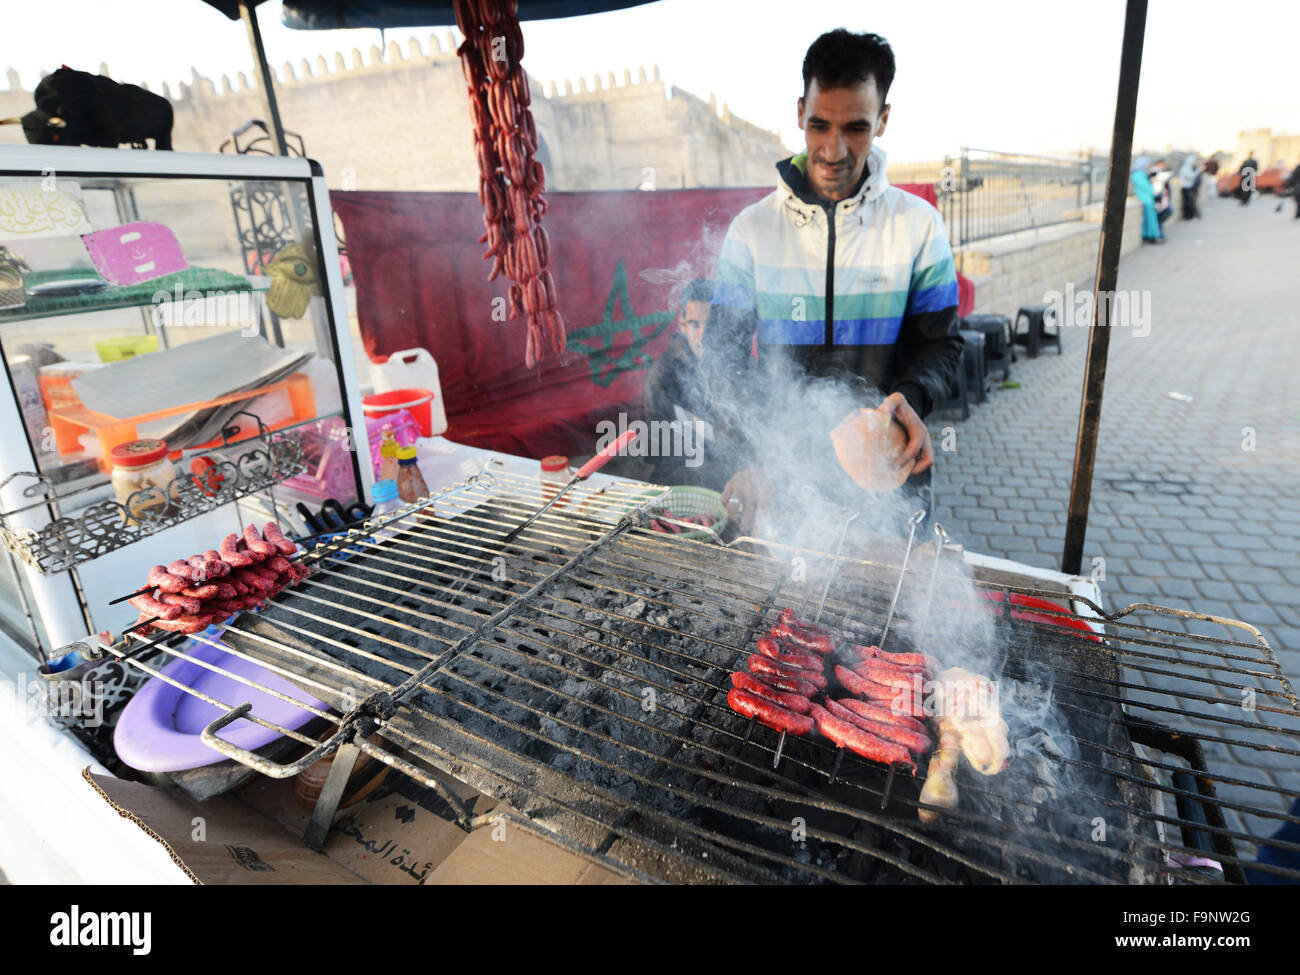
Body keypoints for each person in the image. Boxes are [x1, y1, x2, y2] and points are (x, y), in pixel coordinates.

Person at [704, 29, 962, 537]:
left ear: (884, 120)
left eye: (856, 128)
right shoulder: (751, 231)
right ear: (800, 111)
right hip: (783, 475)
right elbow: (723, 358)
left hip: (887, 472)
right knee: (787, 612)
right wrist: (754, 453)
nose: (833, 149)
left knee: (890, 609)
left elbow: (943, 346)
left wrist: (912, 394)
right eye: (819, 125)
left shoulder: (918, 225)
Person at [641, 278, 726, 488]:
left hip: (734, 474)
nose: (703, 335)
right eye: (695, 324)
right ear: (683, 325)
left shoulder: (737, 365)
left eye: (710, 324)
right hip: (685, 478)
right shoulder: (662, 376)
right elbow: (659, 454)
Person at [1131, 155, 1165, 243]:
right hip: (1145, 199)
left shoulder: (1143, 173)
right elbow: (1147, 187)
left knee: (1151, 218)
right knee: (1150, 219)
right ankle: (1152, 236)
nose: (1147, 165)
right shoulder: (1138, 175)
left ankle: (1152, 235)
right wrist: (1154, 190)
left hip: (1148, 199)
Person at [1178, 153, 1201, 219]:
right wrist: (1197, 171)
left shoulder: (1188, 167)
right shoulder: (1185, 168)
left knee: (1189, 202)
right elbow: (1190, 176)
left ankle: (1190, 215)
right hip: (1185, 187)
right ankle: (1187, 216)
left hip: (1189, 186)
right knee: (1187, 202)